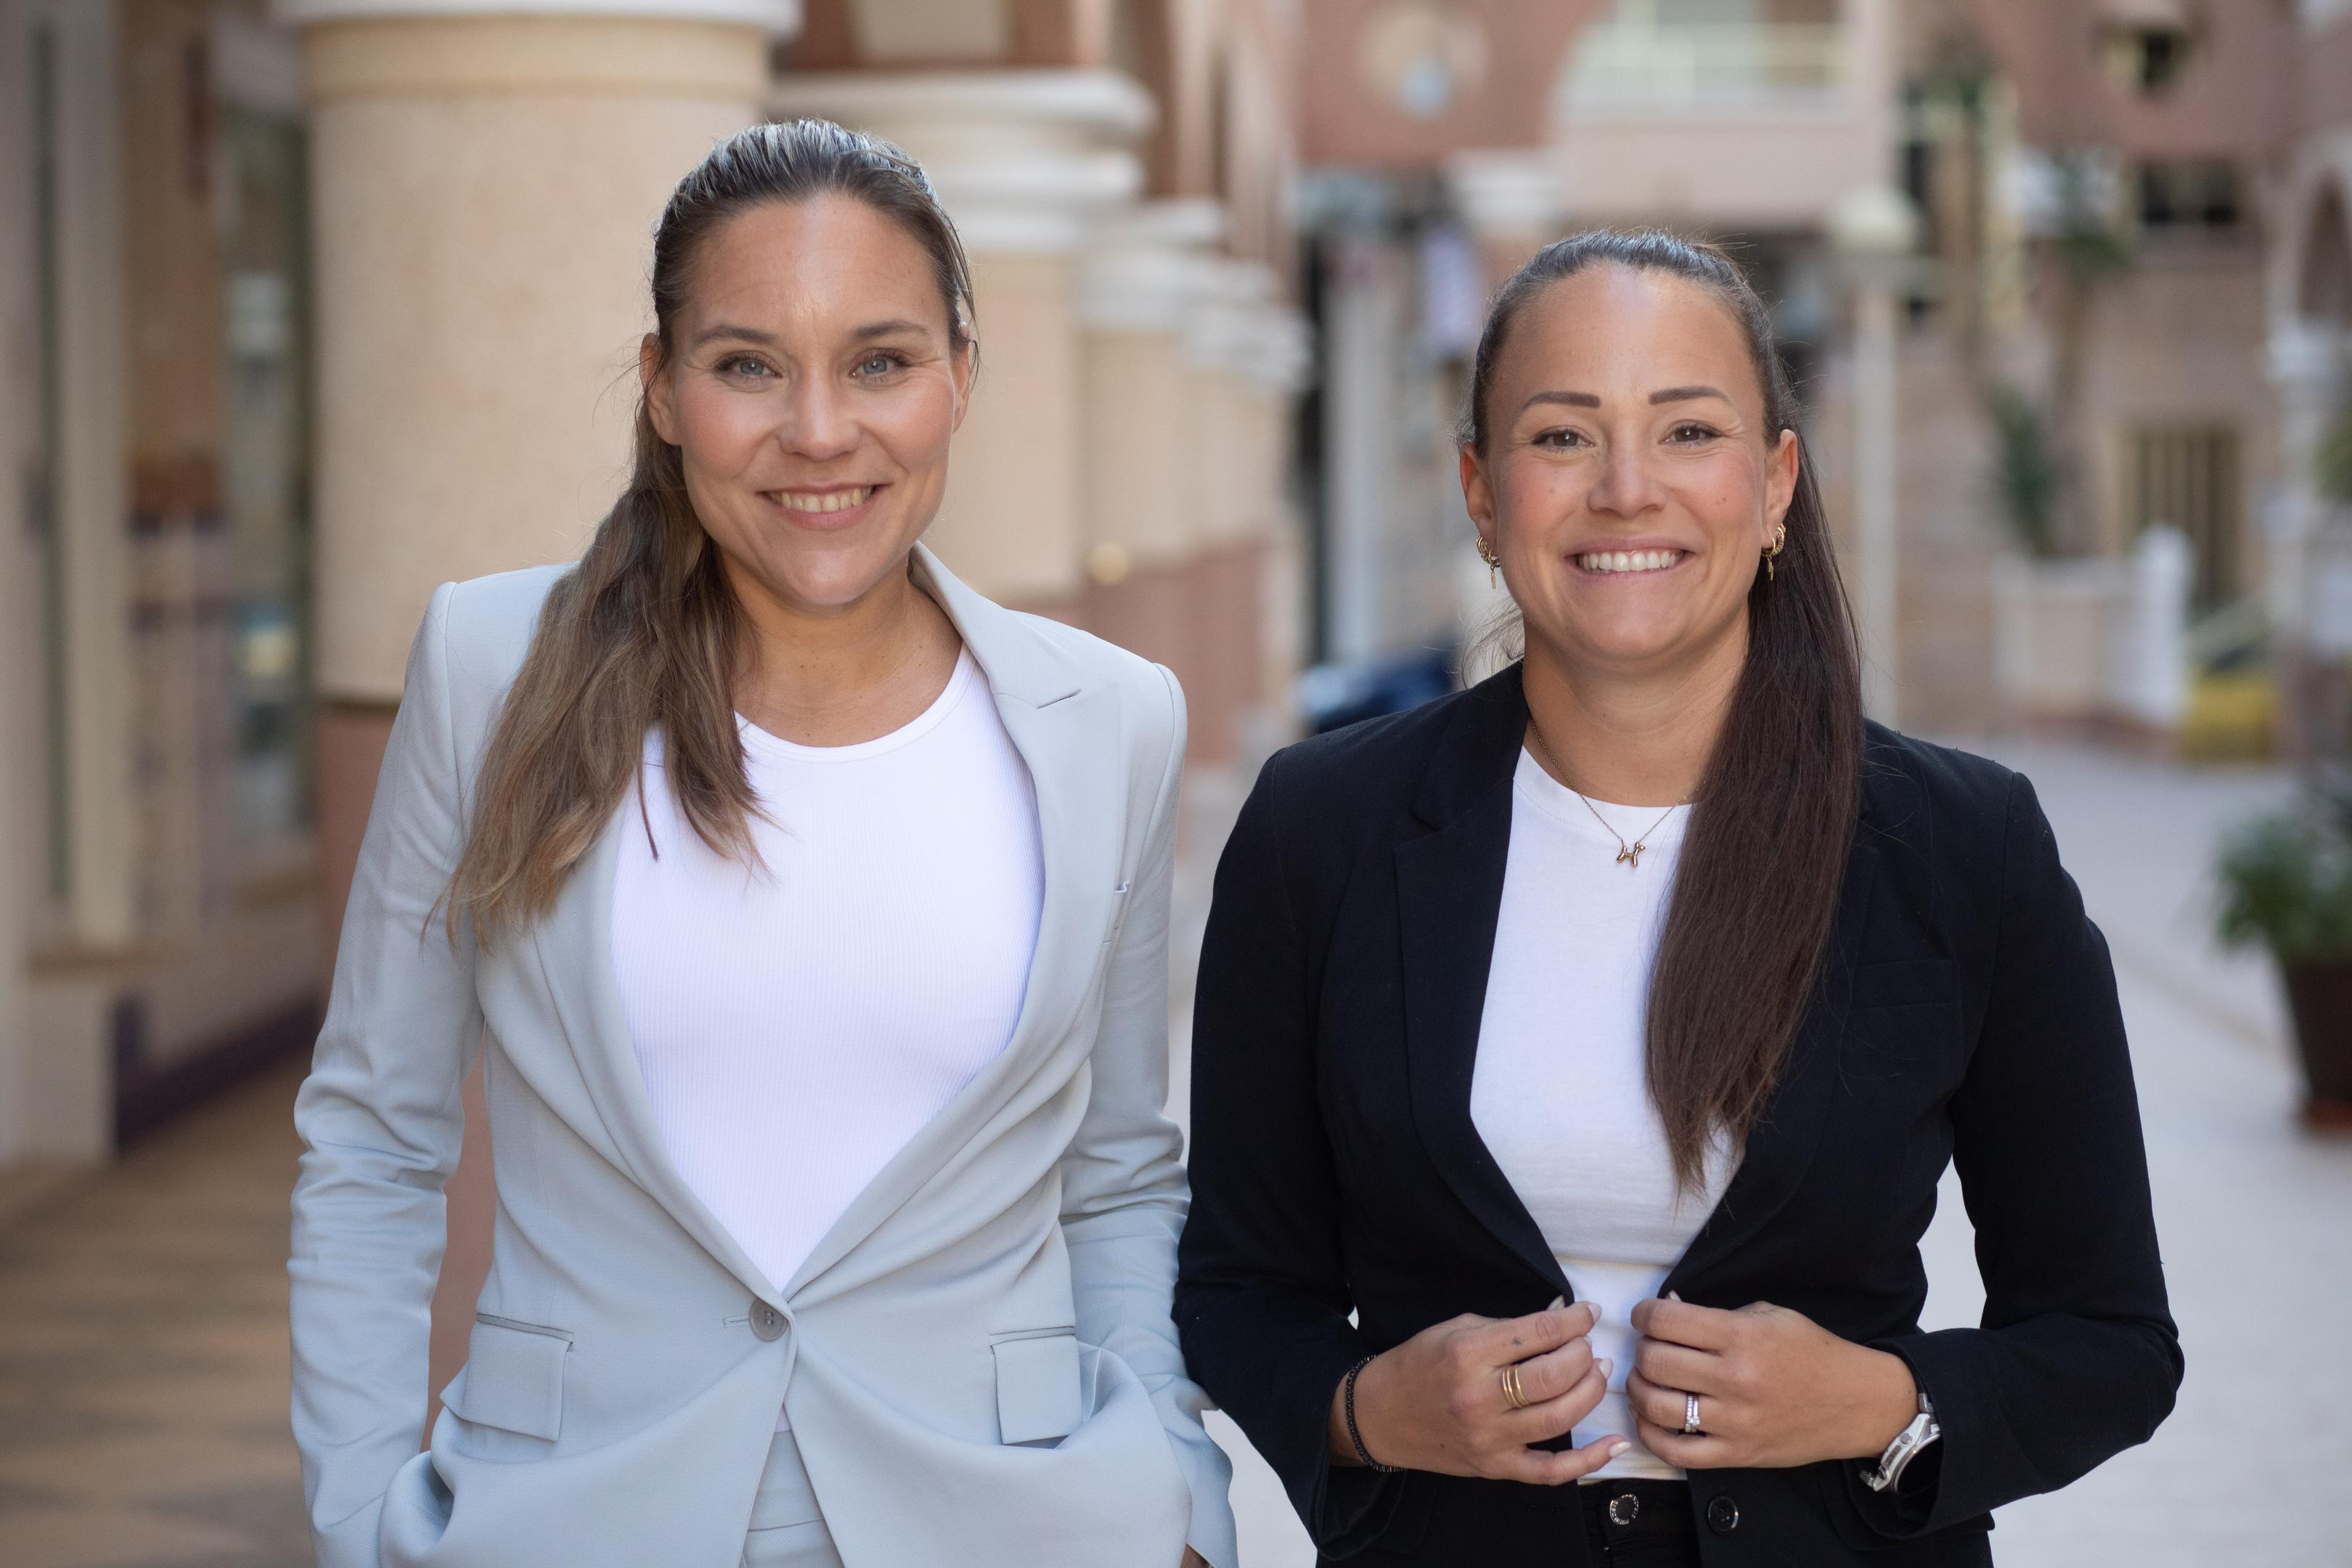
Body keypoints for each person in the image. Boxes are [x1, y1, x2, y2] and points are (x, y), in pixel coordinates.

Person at [288, 121, 1232, 1568]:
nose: (819, 431)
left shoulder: (1108, 721)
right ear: (664, 390)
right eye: (746, 365)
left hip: (1019, 1523)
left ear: (960, 377)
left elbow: (1115, 1174)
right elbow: (374, 1133)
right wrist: (361, 1515)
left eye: (880, 360)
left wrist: (1177, 1481)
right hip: (577, 1517)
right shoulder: (491, 671)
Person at [1175, 230, 2179, 1566]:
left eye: (1690, 430)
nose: (1628, 490)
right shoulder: (1323, 831)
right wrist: (1363, 1412)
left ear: (1774, 486)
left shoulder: (1960, 848)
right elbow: (1240, 1289)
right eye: (1562, 437)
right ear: (1483, 494)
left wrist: (1884, 1402)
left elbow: (2111, 1342)